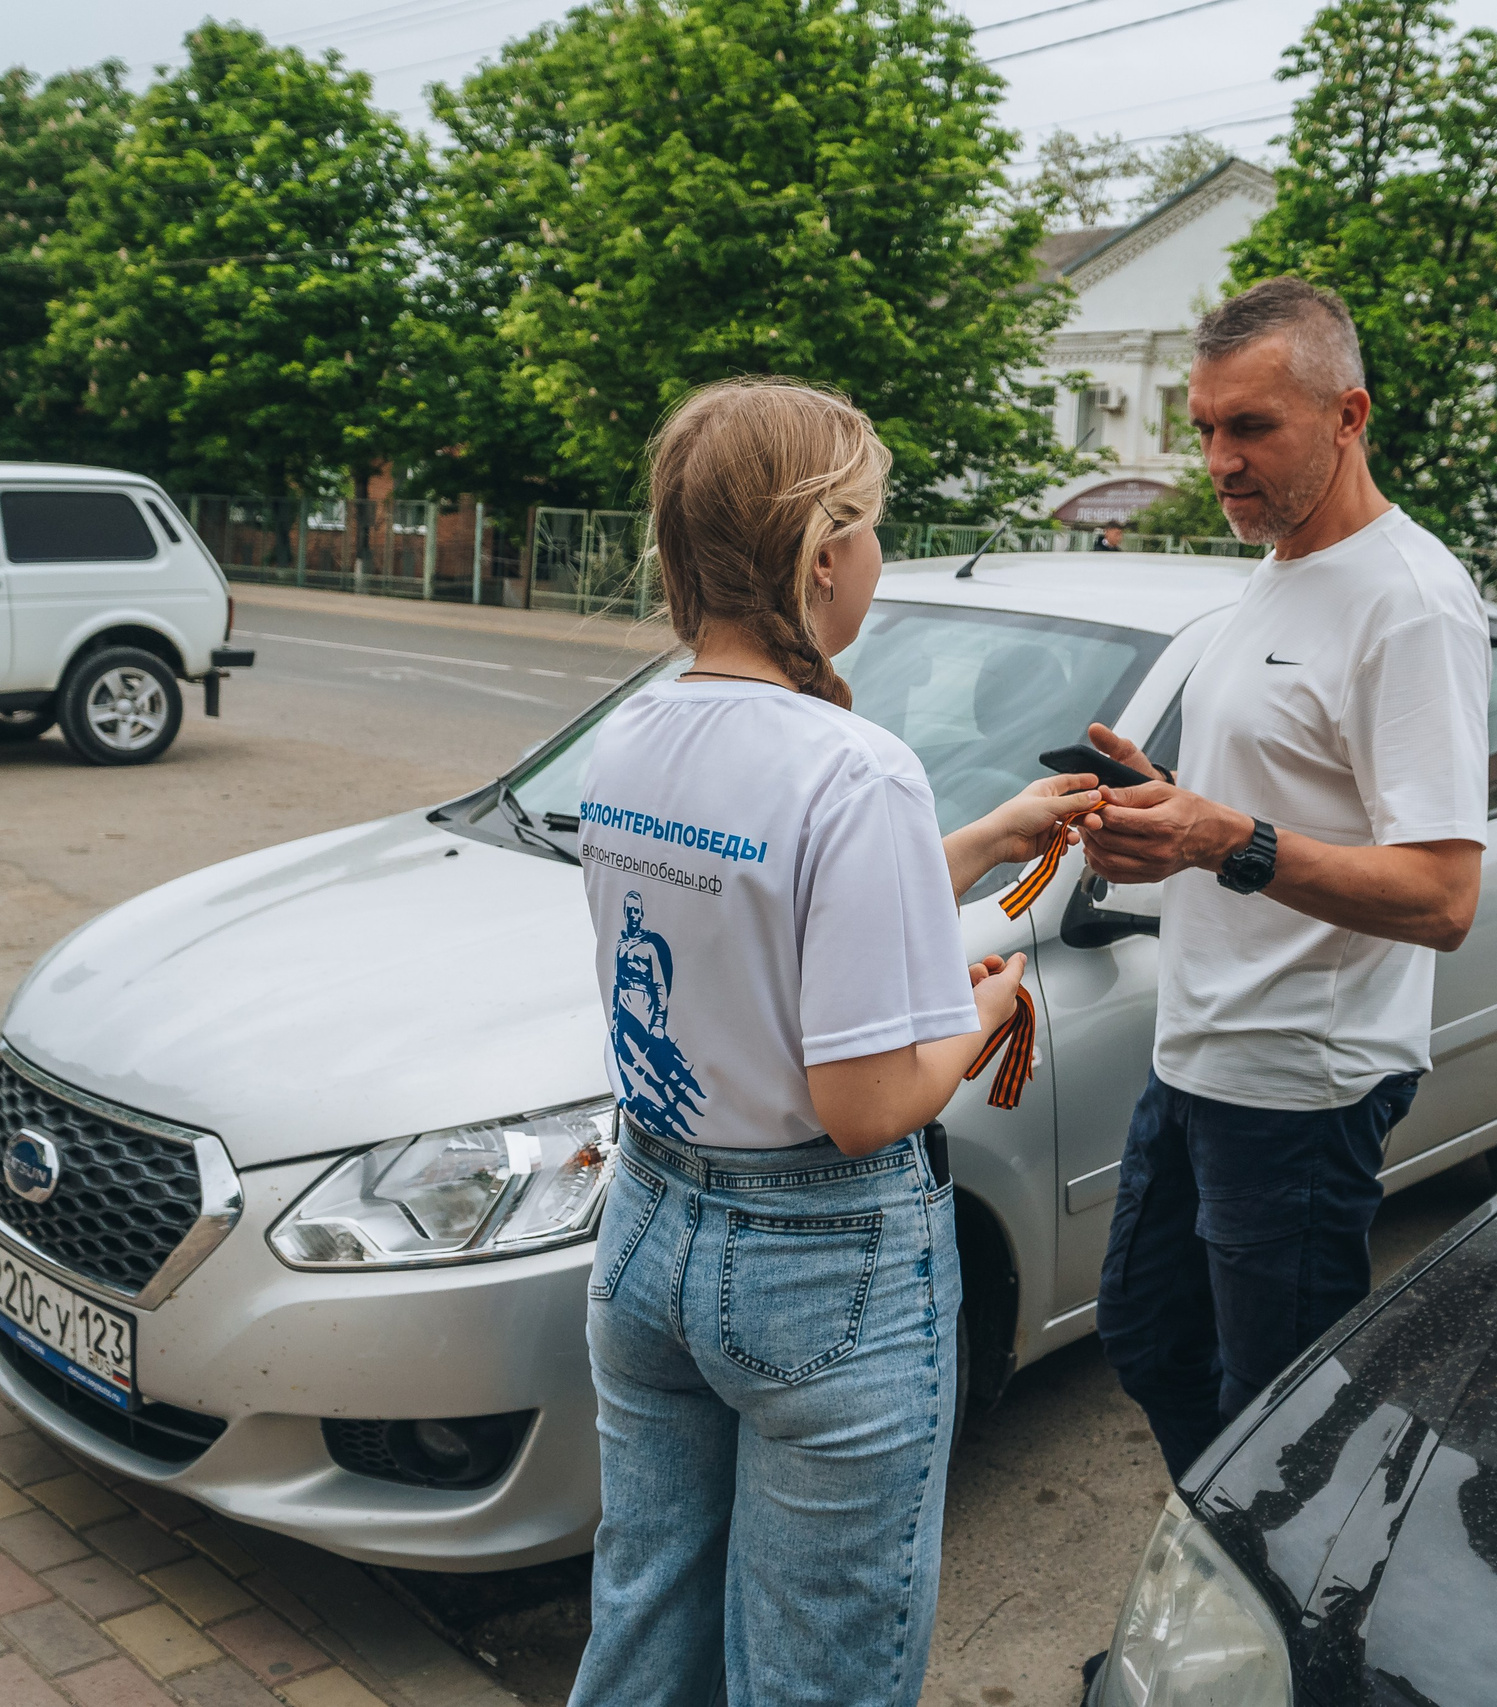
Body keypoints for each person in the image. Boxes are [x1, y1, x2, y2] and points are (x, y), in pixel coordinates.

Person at [567, 377, 1100, 1707]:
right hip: (822, 1267)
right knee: (814, 1669)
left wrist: (982, 841)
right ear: (821, 556)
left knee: (646, 1624)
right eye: (872, 526)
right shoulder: (853, 765)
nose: (879, 555)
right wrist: (982, 1013)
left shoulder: (629, 732)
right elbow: (867, 1105)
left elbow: (762, 898)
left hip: (646, 1227)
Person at [1076, 276, 1491, 1484]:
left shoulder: (1410, 605)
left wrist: (1224, 839)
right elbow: (1272, 796)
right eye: (1203, 427)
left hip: (1303, 1088)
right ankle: (1225, 1625)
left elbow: (1440, 898)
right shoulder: (1277, 567)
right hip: (1197, 1053)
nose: (1218, 460)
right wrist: (1160, 814)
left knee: (1286, 1428)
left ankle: (1294, 1649)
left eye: (1250, 427)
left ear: (1348, 415)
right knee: (1151, 1344)